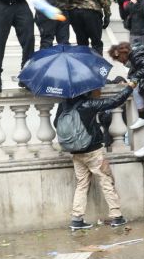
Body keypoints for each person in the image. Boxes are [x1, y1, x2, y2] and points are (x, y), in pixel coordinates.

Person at [55, 82, 134, 229]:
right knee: (106, 180)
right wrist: (130, 87)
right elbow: (114, 101)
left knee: (82, 184)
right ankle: (117, 216)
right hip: (93, 151)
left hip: (76, 152)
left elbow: (56, 123)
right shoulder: (88, 104)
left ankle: (77, 219)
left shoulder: (63, 105)